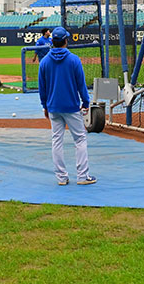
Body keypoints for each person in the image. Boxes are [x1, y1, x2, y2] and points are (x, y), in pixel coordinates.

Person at [37, 28, 96, 186]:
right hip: (71, 106)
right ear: (65, 41)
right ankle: (83, 176)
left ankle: (61, 178)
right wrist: (85, 102)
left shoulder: (45, 62)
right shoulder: (74, 60)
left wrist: (45, 106)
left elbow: (42, 89)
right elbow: (81, 85)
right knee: (80, 139)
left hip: (53, 107)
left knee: (57, 140)